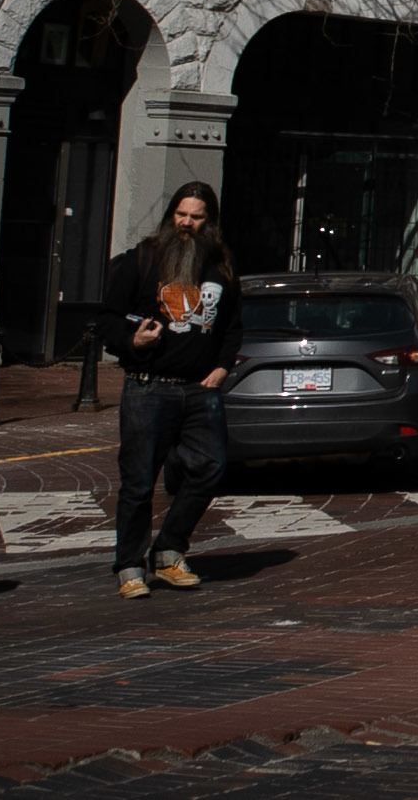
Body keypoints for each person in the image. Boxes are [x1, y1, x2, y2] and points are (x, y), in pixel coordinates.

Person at [101, 181, 238, 599]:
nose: (187, 224)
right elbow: (106, 320)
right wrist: (132, 342)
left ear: (208, 222)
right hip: (148, 388)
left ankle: (169, 550)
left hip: (200, 389)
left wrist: (222, 367)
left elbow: (233, 325)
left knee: (211, 468)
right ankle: (129, 566)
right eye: (181, 215)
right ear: (170, 216)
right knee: (139, 482)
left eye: (196, 218)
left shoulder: (220, 263)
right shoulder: (141, 259)